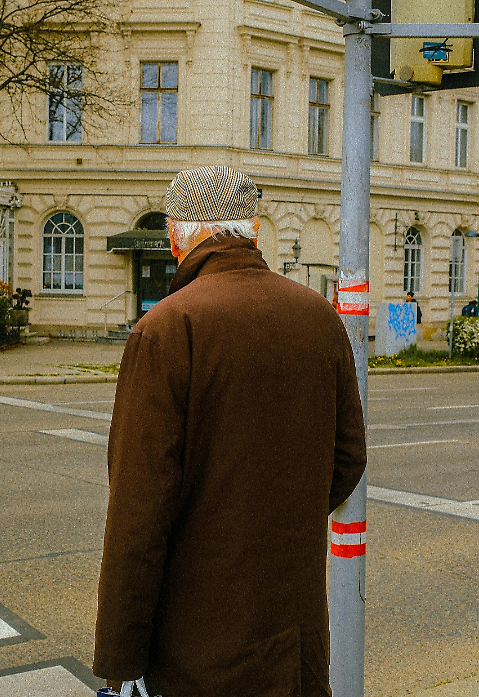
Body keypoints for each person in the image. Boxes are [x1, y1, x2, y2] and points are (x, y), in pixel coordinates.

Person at [93, 165, 368, 697]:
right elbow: (348, 458)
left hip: (199, 649)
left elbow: (138, 511)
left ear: (177, 237)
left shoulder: (167, 329)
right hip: (295, 643)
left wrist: (120, 659)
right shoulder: (318, 316)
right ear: (254, 231)